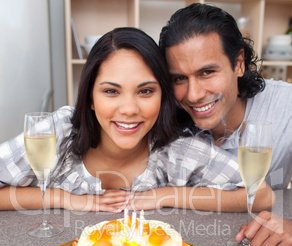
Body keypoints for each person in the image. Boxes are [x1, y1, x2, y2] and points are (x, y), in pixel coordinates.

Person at [0, 27, 273, 213]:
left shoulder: (175, 150)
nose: (129, 109)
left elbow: (262, 195)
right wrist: (67, 200)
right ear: (90, 98)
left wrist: (163, 195)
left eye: (145, 91)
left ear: (162, 96)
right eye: (111, 91)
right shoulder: (59, 131)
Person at [159, 3, 292, 190]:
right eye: (179, 78)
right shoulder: (167, 118)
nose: (193, 95)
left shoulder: (286, 105)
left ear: (238, 64)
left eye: (207, 72)